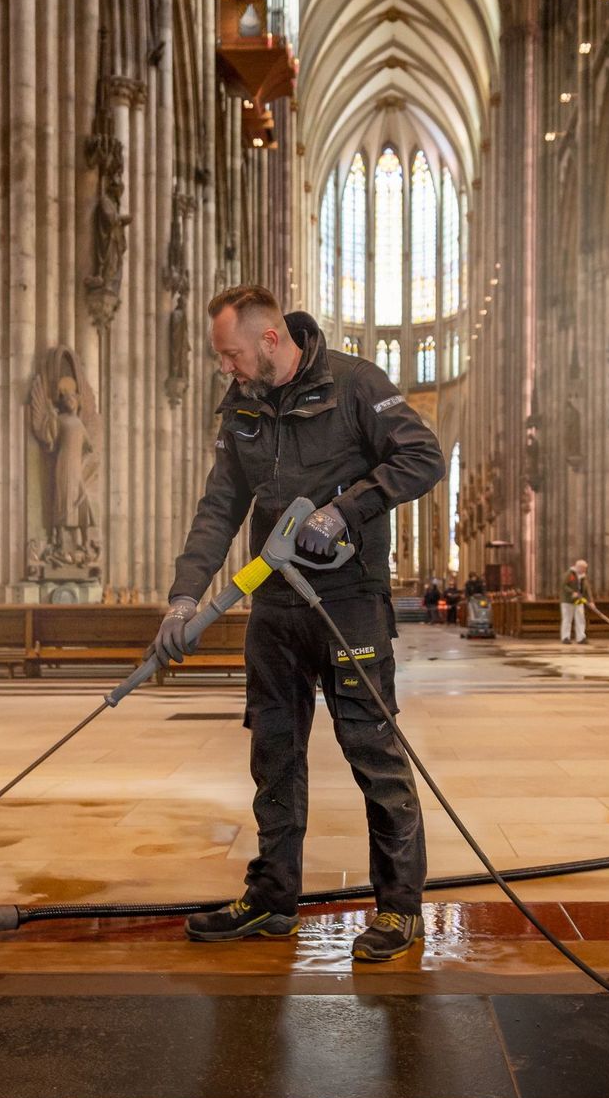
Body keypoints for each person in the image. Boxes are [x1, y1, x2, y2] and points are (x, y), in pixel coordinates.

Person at [151, 285, 446, 963]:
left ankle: (399, 908)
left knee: (372, 751)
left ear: (270, 340)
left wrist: (346, 510)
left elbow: (422, 457)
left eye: (230, 354)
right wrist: (183, 598)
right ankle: (273, 897)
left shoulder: (354, 385)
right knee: (273, 755)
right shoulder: (244, 407)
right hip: (276, 604)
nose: (226, 367)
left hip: (348, 603)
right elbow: (220, 507)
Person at [561, 557, 593, 644]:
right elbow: (564, 585)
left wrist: (591, 601)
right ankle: (565, 637)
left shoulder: (583, 576)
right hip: (568, 600)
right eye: (583, 568)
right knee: (567, 619)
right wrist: (572, 592)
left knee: (580, 619)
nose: (584, 570)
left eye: (585, 568)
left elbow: (587, 589)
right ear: (578, 567)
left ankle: (581, 637)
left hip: (579, 600)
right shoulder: (569, 574)